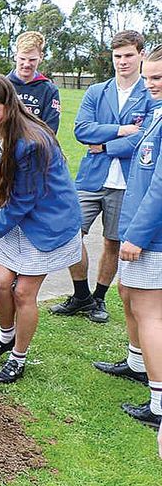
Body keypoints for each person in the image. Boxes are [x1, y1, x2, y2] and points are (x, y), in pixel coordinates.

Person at [0, 74, 82, 384]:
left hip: (46, 223)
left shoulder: (30, 142)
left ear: (10, 105)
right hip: (13, 214)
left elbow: (25, 200)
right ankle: (6, 337)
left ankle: (18, 358)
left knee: (22, 293)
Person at [50, 30, 152, 324]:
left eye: (129, 55)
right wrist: (121, 130)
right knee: (70, 233)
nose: (123, 62)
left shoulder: (150, 94)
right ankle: (80, 294)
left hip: (129, 181)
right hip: (91, 178)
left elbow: (145, 138)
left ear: (141, 55)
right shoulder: (97, 91)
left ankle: (99, 298)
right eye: (117, 56)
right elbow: (82, 130)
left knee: (112, 242)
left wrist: (105, 145)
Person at [0, 31, 64, 302]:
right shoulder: (2, 85)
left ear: (41, 58)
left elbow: (49, 131)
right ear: (15, 56)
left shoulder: (47, 89)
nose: (27, 65)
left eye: (32, 60)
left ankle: (18, 274)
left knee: (21, 214)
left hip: (28, 162)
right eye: (22, 59)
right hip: (0, 160)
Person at [106, 46, 162, 431]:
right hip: (140, 229)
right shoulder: (157, 116)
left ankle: (158, 402)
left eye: (157, 77)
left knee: (150, 314)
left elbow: (159, 187)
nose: (150, 84)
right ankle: (137, 364)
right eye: (147, 77)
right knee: (129, 297)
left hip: (153, 238)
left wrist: (137, 236)